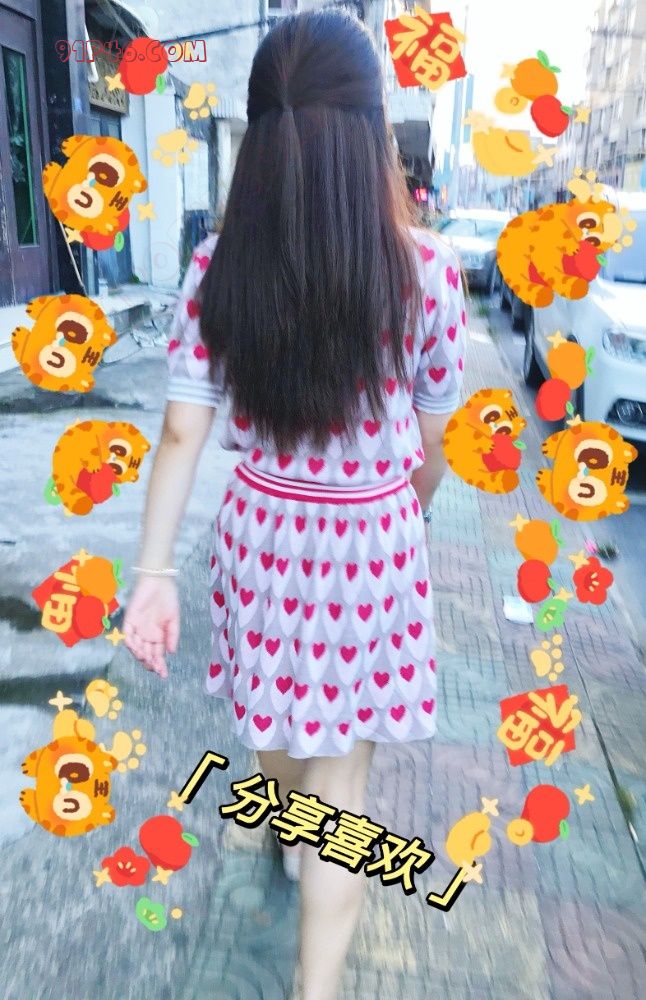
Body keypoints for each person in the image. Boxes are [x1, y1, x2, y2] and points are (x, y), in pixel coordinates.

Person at [124, 9, 466, 1000]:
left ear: (259, 136)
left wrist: (153, 574)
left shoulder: (215, 267)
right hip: (373, 538)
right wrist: (401, 511)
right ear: (371, 132)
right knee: (342, 785)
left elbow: (181, 434)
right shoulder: (427, 273)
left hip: (263, 533)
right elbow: (437, 441)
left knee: (273, 713)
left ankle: (277, 816)